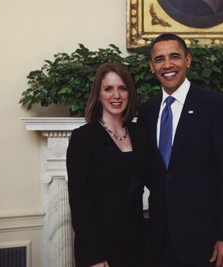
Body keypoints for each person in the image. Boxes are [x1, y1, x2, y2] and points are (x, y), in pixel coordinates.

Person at [137, 33, 223, 267]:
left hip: (205, 241)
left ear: (188, 60)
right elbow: (150, 173)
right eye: (159, 59)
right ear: (151, 66)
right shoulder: (146, 111)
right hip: (159, 239)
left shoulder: (215, 105)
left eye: (174, 57)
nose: (167, 65)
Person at [67, 63, 148, 267]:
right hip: (101, 250)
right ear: (98, 95)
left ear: (129, 93)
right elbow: (80, 205)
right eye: (108, 89)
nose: (116, 96)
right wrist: (94, 256)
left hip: (137, 245)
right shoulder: (83, 138)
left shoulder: (140, 135)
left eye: (122, 88)